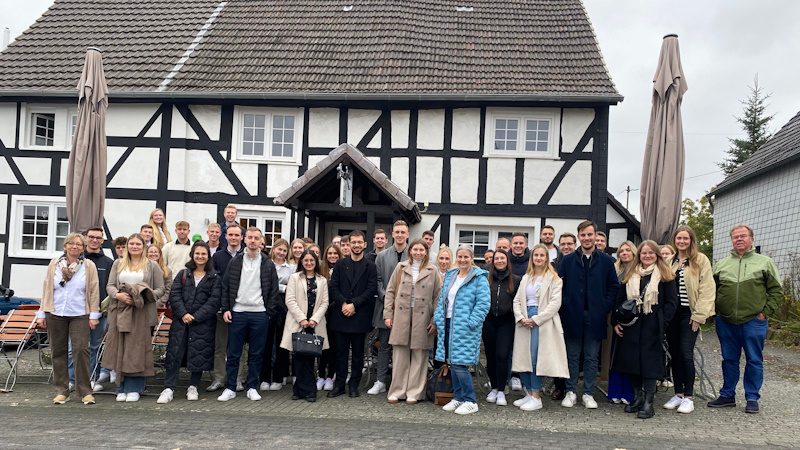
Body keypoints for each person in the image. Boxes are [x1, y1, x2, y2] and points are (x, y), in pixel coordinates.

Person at [707, 224, 782, 414]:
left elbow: (776, 290)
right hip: (726, 321)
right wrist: (715, 312)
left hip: (753, 321)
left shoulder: (765, 262)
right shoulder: (722, 264)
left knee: (754, 359)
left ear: (751, 239)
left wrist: (764, 313)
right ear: (731, 240)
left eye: (743, 236)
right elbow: (711, 290)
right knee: (729, 359)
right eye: (735, 237)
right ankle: (727, 395)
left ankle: (752, 397)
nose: (739, 239)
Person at [612, 240, 678, 419]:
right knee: (632, 361)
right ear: (639, 255)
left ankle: (649, 401)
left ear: (657, 255)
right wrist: (616, 321)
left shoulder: (665, 275)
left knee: (650, 364)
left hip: (653, 324)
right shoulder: (630, 274)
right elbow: (619, 299)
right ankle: (638, 397)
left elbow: (672, 303)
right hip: (632, 324)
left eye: (651, 253)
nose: (647, 256)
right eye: (644, 253)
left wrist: (662, 323)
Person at [557, 220, 619, 409]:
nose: (586, 238)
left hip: (596, 316)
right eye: (583, 235)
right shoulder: (567, 260)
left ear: (595, 236)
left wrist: (604, 306)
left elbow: (613, 287)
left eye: (589, 234)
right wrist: (565, 304)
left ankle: (588, 393)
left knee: (592, 357)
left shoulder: (607, 261)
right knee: (572, 356)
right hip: (572, 315)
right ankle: (570, 392)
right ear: (579, 237)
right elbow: (558, 286)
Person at [37, 233, 101, 405]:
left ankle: (85, 391)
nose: (75, 246)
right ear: (65, 246)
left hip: (80, 313)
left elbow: (94, 290)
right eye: (71, 243)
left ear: (83, 248)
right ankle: (62, 391)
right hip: (55, 312)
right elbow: (47, 288)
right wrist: (41, 313)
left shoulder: (88, 266)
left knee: (81, 350)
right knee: (58, 351)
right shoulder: (54, 264)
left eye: (79, 244)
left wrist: (94, 314)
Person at [217, 227, 279, 402]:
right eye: (250, 237)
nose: (252, 241)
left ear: (261, 241)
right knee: (233, 353)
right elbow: (226, 286)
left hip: (259, 313)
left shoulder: (267, 263)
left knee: (256, 354)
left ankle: (252, 387)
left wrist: (268, 312)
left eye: (256, 238)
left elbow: (273, 290)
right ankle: (230, 387)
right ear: (244, 239)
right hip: (238, 312)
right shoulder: (235, 261)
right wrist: (226, 308)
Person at [157, 241, 221, 404]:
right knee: (174, 354)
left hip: (202, 324)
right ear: (192, 255)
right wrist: (183, 314)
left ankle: (193, 386)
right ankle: (169, 387)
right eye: (197, 253)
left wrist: (196, 316)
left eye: (204, 254)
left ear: (208, 256)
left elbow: (214, 301)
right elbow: (175, 295)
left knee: (198, 354)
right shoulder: (183, 274)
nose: (200, 256)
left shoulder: (214, 277)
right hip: (181, 323)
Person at [104, 233, 165, 402]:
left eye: (138, 244)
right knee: (120, 349)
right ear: (127, 246)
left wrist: (143, 295)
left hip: (141, 313)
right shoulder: (118, 263)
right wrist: (118, 295)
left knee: (136, 350)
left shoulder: (152, 265)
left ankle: (134, 388)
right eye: (132, 244)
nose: (134, 247)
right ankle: (120, 387)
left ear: (143, 246)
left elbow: (161, 289)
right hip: (120, 311)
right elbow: (110, 285)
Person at [661, 225, 715, 414]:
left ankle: (689, 397)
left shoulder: (700, 260)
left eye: (686, 238)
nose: (682, 241)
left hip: (689, 314)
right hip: (672, 314)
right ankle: (678, 393)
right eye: (679, 238)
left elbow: (707, 289)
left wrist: (699, 316)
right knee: (674, 354)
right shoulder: (670, 260)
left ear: (691, 240)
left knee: (686, 353)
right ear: (674, 240)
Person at [383, 238, 441, 404]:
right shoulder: (401, 267)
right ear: (410, 251)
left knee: (419, 355)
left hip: (423, 317)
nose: (418, 252)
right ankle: (397, 390)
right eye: (415, 249)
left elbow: (438, 297)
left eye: (421, 250)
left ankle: (415, 392)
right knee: (400, 354)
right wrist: (388, 314)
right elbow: (390, 291)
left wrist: (434, 320)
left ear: (426, 252)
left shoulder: (433, 270)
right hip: (402, 315)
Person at [511, 244, 569, 411]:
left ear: (546, 258)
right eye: (536, 255)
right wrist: (520, 317)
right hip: (524, 319)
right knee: (522, 357)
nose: (538, 258)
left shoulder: (554, 279)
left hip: (542, 321)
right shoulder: (526, 278)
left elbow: (555, 304)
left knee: (535, 358)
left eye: (542, 255)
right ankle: (529, 393)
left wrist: (536, 319)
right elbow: (517, 300)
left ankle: (536, 397)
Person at [434, 245, 490, 415]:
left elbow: (483, 304)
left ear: (471, 258)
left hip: (465, 326)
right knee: (451, 362)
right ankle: (458, 397)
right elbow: (442, 299)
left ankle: (470, 400)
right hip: (447, 323)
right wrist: (438, 318)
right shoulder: (451, 275)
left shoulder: (479, 278)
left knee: (460, 364)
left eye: (466, 257)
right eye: (460, 256)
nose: (463, 260)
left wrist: (471, 323)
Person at [327, 231, 378, 398]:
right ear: (348, 244)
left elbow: (371, 289)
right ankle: (339, 385)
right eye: (353, 242)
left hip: (360, 316)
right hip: (341, 315)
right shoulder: (340, 265)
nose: (356, 245)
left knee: (357, 355)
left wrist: (354, 304)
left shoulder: (371, 266)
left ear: (365, 244)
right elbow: (334, 287)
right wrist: (344, 303)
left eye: (359, 242)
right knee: (340, 354)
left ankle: (354, 385)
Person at [282, 249, 330, 402]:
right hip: (298, 323)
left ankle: (306, 390)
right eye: (306, 260)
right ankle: (303, 390)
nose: (309, 263)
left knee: (310, 358)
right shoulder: (294, 278)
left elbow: (325, 302)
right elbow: (290, 300)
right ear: (301, 262)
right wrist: (302, 319)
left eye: (312, 260)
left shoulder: (322, 280)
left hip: (315, 324)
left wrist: (314, 319)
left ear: (316, 262)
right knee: (298, 357)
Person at [369, 220, 410, 396]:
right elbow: (377, 280)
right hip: (386, 307)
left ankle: (402, 382)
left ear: (407, 234)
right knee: (384, 346)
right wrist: (388, 298)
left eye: (402, 232)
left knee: (404, 347)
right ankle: (380, 381)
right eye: (397, 232)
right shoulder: (382, 256)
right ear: (392, 234)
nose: (400, 235)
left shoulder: (414, 254)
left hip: (408, 308)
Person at [74, 227, 113, 392]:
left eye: (98, 238)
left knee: (94, 347)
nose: (94, 240)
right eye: (91, 237)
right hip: (77, 311)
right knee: (74, 347)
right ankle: (72, 379)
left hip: (99, 313)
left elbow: (110, 287)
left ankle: (92, 378)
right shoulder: (76, 260)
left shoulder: (109, 263)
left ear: (102, 240)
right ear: (85, 238)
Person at [207, 223, 245, 392]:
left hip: (242, 306)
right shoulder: (217, 257)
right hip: (221, 307)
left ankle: (237, 379)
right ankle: (219, 378)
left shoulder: (247, 256)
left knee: (239, 346)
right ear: (226, 236)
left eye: (237, 235)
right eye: (231, 235)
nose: (234, 238)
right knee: (220, 345)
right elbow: (214, 281)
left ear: (242, 237)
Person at [482, 249, 521, 407]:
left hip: (507, 322)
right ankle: (493, 387)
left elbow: (518, 301)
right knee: (490, 355)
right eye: (496, 258)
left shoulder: (515, 280)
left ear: (507, 260)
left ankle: (501, 389)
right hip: (489, 321)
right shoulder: (486, 278)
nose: (499, 261)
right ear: (493, 262)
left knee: (502, 355)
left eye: (502, 258)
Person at [261, 239, 294, 391]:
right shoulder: (266, 264)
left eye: (284, 251)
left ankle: (278, 378)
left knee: (282, 343)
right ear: (273, 249)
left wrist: (277, 287)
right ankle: (264, 378)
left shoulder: (291, 268)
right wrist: (282, 287)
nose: (281, 253)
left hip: (284, 307)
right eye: (279, 249)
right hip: (267, 305)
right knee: (266, 343)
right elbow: (264, 285)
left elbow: (291, 287)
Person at [607, 240, 637, 405]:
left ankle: (629, 392)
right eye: (621, 251)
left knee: (630, 357)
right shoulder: (615, 270)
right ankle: (615, 391)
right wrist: (614, 321)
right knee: (616, 356)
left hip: (634, 319)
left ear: (633, 252)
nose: (624, 253)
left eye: (627, 250)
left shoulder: (639, 271)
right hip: (617, 317)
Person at [550, 231, 578, 401]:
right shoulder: (554, 264)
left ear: (575, 245)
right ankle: (559, 386)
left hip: (575, 313)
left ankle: (571, 388)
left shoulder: (580, 261)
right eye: (563, 244)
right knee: (558, 352)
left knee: (572, 353)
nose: (566, 247)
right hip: (557, 313)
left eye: (570, 244)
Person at [318, 244, 342, 390]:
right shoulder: (321, 270)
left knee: (333, 347)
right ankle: (320, 375)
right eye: (330, 253)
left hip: (336, 313)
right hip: (321, 314)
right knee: (322, 347)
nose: (332, 256)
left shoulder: (342, 269)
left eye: (335, 253)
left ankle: (330, 376)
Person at [146, 244, 172, 309]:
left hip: (160, 305)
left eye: (155, 252)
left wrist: (159, 303)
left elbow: (168, 290)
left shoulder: (167, 271)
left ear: (160, 254)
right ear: (146, 254)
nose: (153, 254)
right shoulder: (142, 269)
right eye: (151, 252)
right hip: (145, 303)